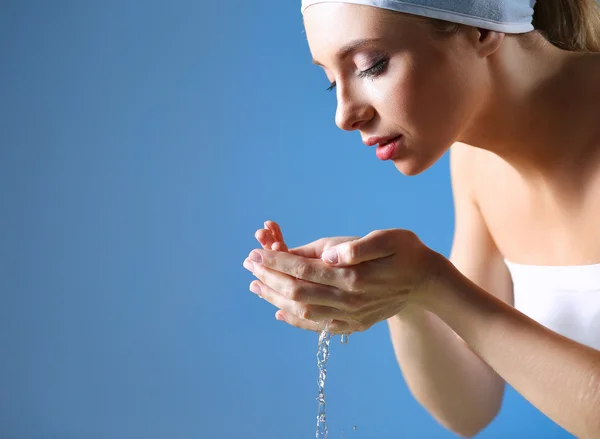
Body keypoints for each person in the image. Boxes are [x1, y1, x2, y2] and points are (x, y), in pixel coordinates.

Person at [242, 0, 600, 437]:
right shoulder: (474, 160)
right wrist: (401, 296)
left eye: (371, 65)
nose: (343, 115)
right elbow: (470, 406)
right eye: (330, 82)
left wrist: (433, 283)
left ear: (483, 27)